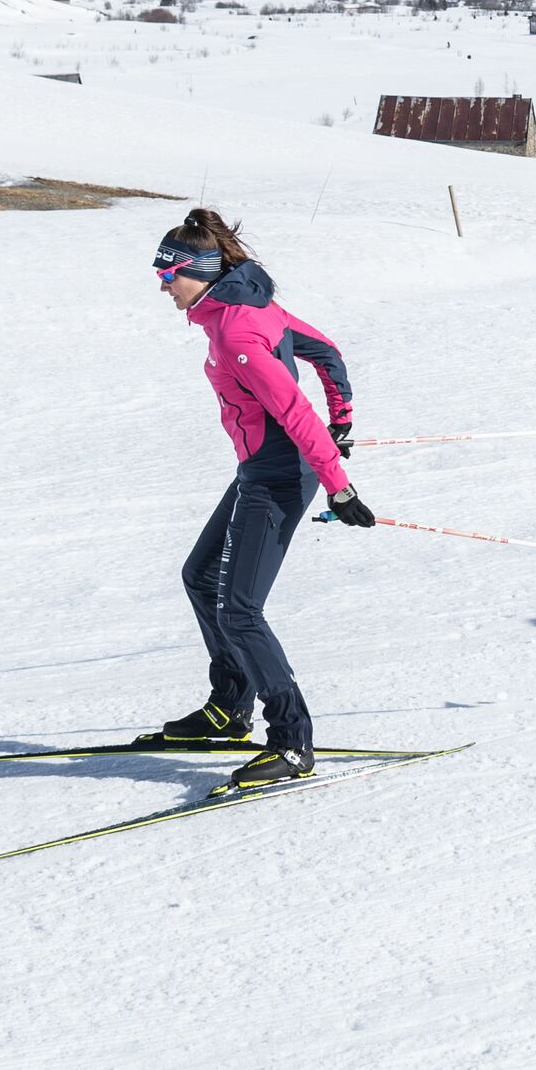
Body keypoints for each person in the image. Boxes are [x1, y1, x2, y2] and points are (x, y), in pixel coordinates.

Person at [138, 206, 375, 789]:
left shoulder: (238, 330)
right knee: (200, 575)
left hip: (280, 473)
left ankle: (292, 742)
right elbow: (325, 351)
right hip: (260, 467)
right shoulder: (244, 307)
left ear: (199, 272)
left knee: (240, 608)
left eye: (170, 276)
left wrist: (339, 486)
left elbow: (294, 411)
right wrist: (341, 416)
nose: (163, 285)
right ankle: (229, 708)